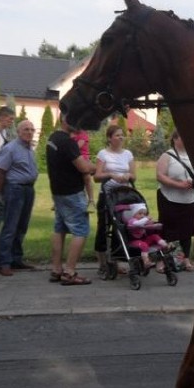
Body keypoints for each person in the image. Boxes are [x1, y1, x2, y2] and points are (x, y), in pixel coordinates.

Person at [46, 114, 96, 285]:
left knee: (59, 229)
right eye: (74, 119)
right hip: (72, 193)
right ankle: (70, 272)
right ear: (65, 121)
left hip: (57, 192)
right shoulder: (68, 142)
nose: (77, 123)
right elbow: (83, 167)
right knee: (80, 230)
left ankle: (56, 269)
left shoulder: (53, 138)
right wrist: (95, 167)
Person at [0, 120, 38, 275]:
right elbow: (0, 171)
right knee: (10, 226)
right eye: (26, 129)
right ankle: (3, 262)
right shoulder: (10, 148)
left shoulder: (30, 149)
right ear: (18, 132)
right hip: (14, 189)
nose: (30, 132)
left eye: (32, 129)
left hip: (28, 190)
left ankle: (16, 259)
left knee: (22, 226)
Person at [93, 124, 136, 274]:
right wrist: (111, 175)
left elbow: (133, 175)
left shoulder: (128, 154)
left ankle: (117, 260)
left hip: (123, 195)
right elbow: (97, 177)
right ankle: (102, 262)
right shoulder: (103, 154)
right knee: (103, 227)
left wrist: (127, 176)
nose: (120, 137)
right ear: (110, 138)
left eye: (121, 135)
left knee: (121, 226)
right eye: (117, 135)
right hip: (107, 194)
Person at [156, 129, 194, 270]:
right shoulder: (167, 155)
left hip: (190, 199)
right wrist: (178, 185)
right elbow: (160, 176)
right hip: (169, 198)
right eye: (183, 137)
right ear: (175, 139)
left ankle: (185, 259)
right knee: (167, 230)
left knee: (187, 230)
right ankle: (162, 260)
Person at [122, 203, 168, 270]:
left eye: (144, 214)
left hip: (143, 239)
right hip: (134, 241)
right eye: (140, 214)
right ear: (134, 214)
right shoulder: (132, 221)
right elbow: (138, 224)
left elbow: (148, 225)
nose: (142, 216)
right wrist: (146, 219)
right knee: (144, 245)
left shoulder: (143, 221)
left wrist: (154, 225)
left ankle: (165, 246)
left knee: (154, 236)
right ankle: (146, 261)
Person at [70, 128, 95, 205]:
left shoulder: (83, 134)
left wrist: (66, 147)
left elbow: (77, 147)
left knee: (86, 177)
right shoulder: (69, 134)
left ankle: (91, 200)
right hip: (72, 158)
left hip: (83, 157)